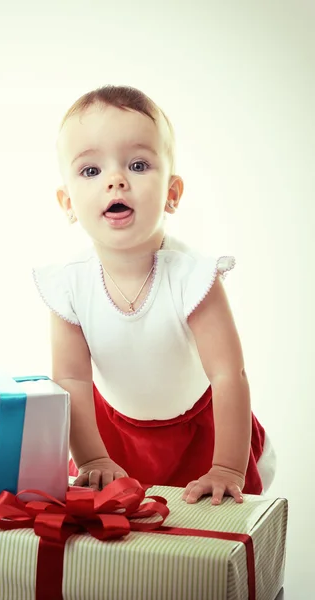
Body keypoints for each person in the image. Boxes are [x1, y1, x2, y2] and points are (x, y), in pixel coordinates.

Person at [32, 85, 275, 504]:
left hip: (202, 427)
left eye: (139, 164)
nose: (116, 180)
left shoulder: (193, 277)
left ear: (173, 194)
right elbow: (72, 379)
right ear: (68, 202)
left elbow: (227, 374)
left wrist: (228, 466)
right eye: (91, 171)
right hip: (115, 432)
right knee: (130, 535)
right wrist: (91, 458)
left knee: (205, 532)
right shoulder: (70, 284)